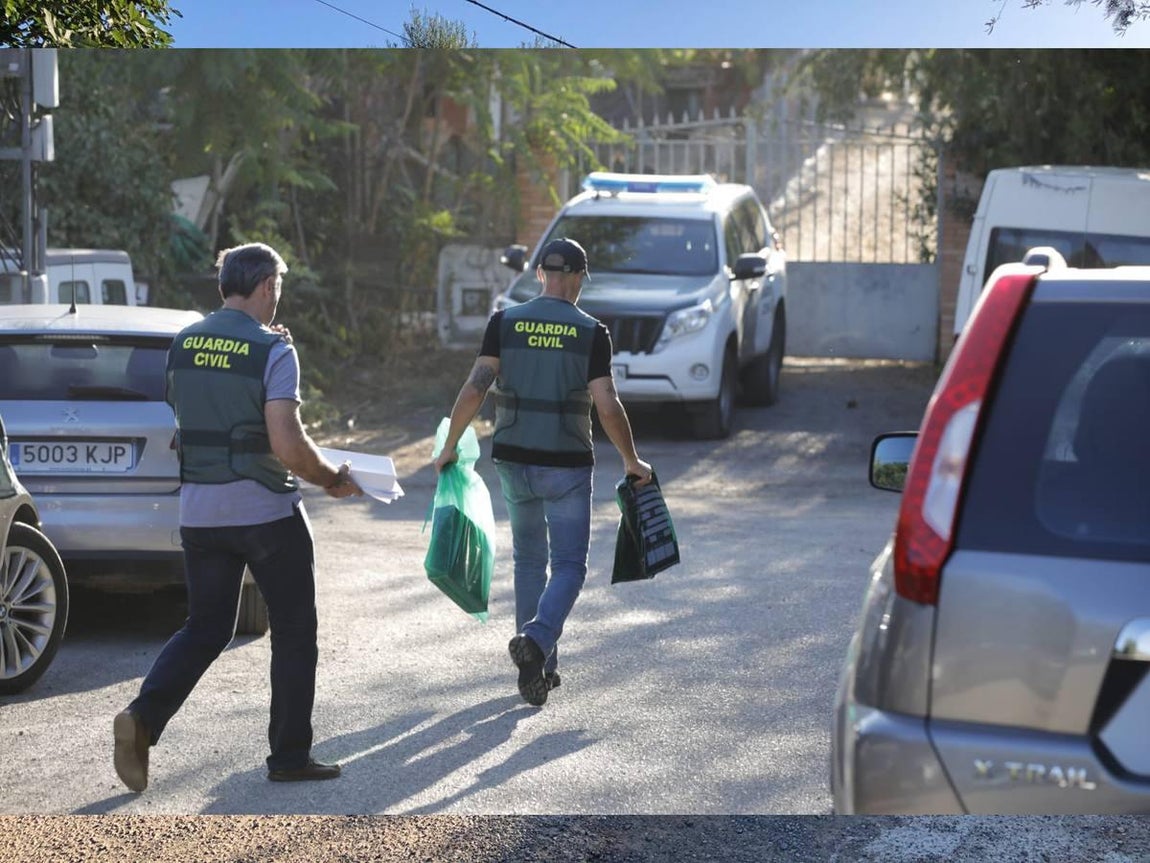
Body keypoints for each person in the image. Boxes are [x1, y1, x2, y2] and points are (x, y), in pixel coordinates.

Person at [113, 242, 363, 793]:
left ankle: (144, 718)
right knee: (295, 631)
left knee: (206, 626)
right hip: (265, 512)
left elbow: (191, 412)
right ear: (268, 286)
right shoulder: (272, 350)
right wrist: (331, 478)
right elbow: (287, 442)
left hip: (200, 511)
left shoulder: (182, 343)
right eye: (279, 289)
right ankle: (289, 755)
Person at [435, 237, 652, 707]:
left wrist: (449, 446)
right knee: (570, 566)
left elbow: (476, 387)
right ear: (576, 278)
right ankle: (535, 641)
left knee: (530, 562)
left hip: (513, 458)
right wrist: (631, 460)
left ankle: (539, 668)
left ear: (539, 274)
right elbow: (607, 403)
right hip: (566, 465)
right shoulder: (591, 330)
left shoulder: (504, 322)